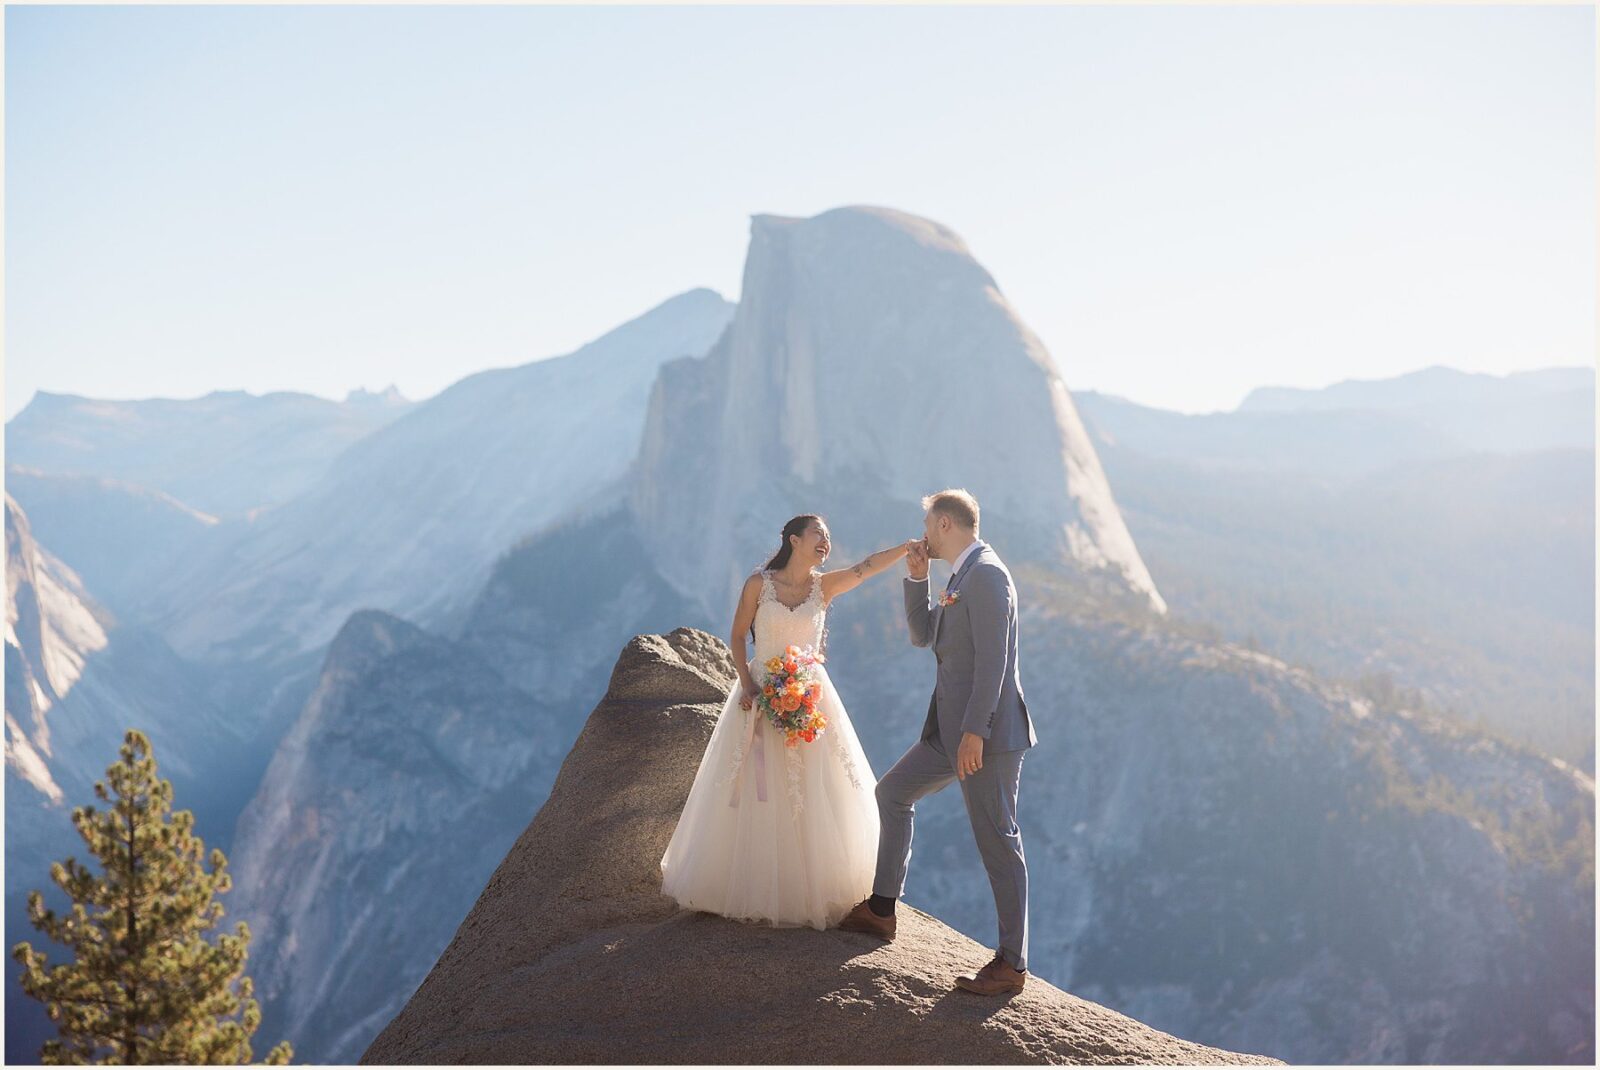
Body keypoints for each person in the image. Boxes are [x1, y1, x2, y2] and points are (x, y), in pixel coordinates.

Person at [659, 514, 913, 929]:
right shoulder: (759, 584)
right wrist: (746, 684)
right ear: (794, 540)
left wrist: (905, 549)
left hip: (811, 695)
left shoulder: (823, 587)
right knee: (758, 790)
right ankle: (747, 886)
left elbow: (865, 569)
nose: (826, 542)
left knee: (813, 788)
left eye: (829, 537)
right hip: (760, 691)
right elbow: (738, 635)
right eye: (818, 534)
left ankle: (810, 888)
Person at [837, 488, 1038, 996]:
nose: (923, 533)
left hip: (984, 737)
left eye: (928, 525)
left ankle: (1011, 965)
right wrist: (917, 576)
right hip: (949, 733)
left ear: (945, 524)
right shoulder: (961, 574)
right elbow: (922, 635)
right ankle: (883, 910)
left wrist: (976, 731)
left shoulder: (988, 575)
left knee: (999, 841)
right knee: (893, 794)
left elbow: (995, 661)